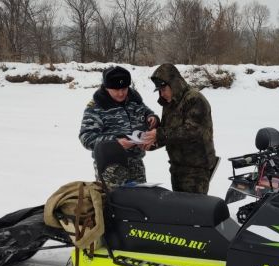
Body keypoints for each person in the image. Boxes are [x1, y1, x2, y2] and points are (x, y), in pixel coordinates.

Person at [142, 63, 218, 194]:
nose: (162, 93)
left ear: (174, 84)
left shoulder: (194, 99)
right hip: (177, 168)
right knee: (180, 210)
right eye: (159, 90)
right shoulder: (169, 104)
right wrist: (151, 142)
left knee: (193, 210)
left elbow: (192, 131)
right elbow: (168, 132)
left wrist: (159, 135)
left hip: (196, 170)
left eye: (164, 89)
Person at [79, 66, 158, 184]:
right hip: (110, 168)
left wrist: (152, 118)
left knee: (140, 201)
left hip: (136, 165)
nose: (121, 93)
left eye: (124, 89)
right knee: (115, 201)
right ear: (106, 88)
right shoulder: (96, 107)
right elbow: (86, 137)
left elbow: (145, 111)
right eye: (116, 90)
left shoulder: (134, 100)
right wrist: (115, 143)